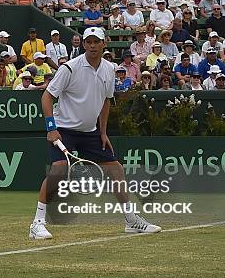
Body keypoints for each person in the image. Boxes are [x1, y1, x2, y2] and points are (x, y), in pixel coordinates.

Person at [29, 27, 161, 240]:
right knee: (59, 170)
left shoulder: (109, 69)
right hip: (64, 130)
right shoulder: (69, 69)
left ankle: (131, 221)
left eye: (96, 42)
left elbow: (106, 101)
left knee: (116, 169)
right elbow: (47, 96)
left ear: (103, 44)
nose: (92, 45)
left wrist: (103, 132)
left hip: (90, 132)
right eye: (88, 42)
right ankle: (37, 223)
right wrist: (51, 128)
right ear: (83, 45)